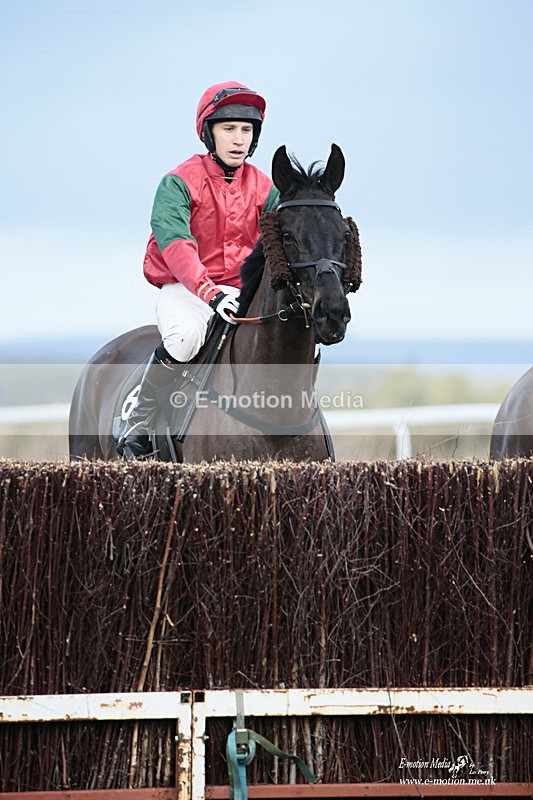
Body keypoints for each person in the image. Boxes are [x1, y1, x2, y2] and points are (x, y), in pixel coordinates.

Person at [118, 81, 280, 459]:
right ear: (209, 132)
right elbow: (177, 246)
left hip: (240, 293)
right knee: (185, 337)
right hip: (186, 291)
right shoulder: (177, 183)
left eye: (246, 130)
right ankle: (139, 425)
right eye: (229, 129)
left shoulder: (265, 188)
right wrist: (209, 292)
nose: (239, 139)